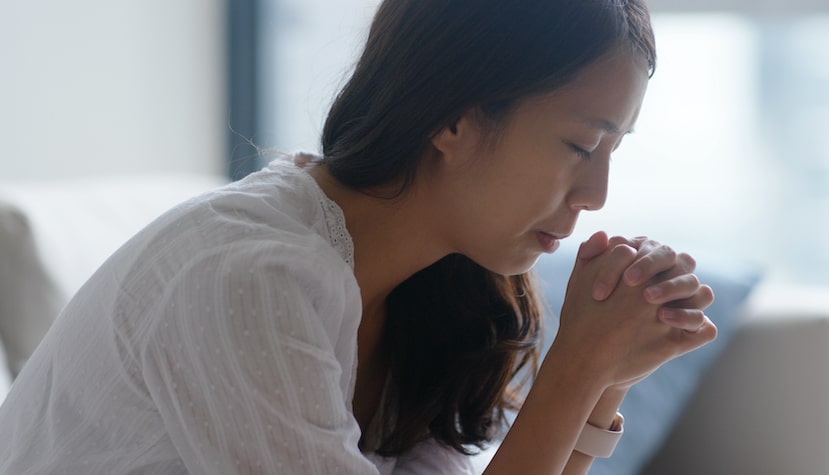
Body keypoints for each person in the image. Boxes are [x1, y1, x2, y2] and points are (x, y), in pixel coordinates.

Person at [0, 0, 717, 473]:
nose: (597, 196)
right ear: (454, 118)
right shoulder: (247, 279)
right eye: (579, 145)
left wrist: (608, 375)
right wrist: (577, 372)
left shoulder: (436, 285)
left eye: (614, 151)